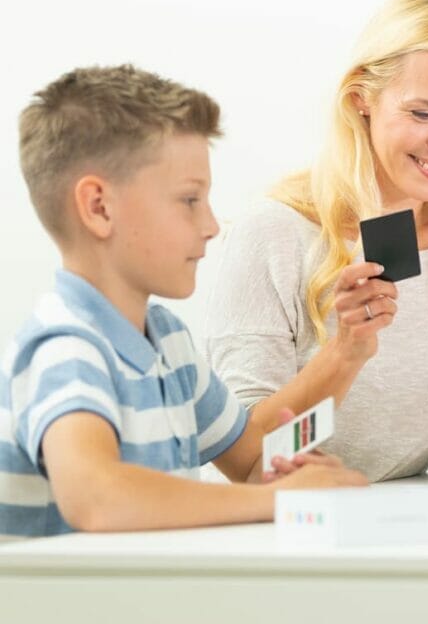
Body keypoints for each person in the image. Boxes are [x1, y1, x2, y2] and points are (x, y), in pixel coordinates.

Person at [1, 65, 366, 538]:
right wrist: (271, 501)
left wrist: (349, 351)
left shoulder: (168, 343)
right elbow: (96, 497)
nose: (213, 224)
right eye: (190, 200)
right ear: (99, 207)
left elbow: (251, 457)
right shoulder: (66, 349)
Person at [206, 0, 428, 483]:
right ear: (361, 99)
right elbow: (249, 464)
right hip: (288, 533)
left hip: (420, 534)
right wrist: (344, 355)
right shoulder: (274, 235)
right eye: (423, 113)